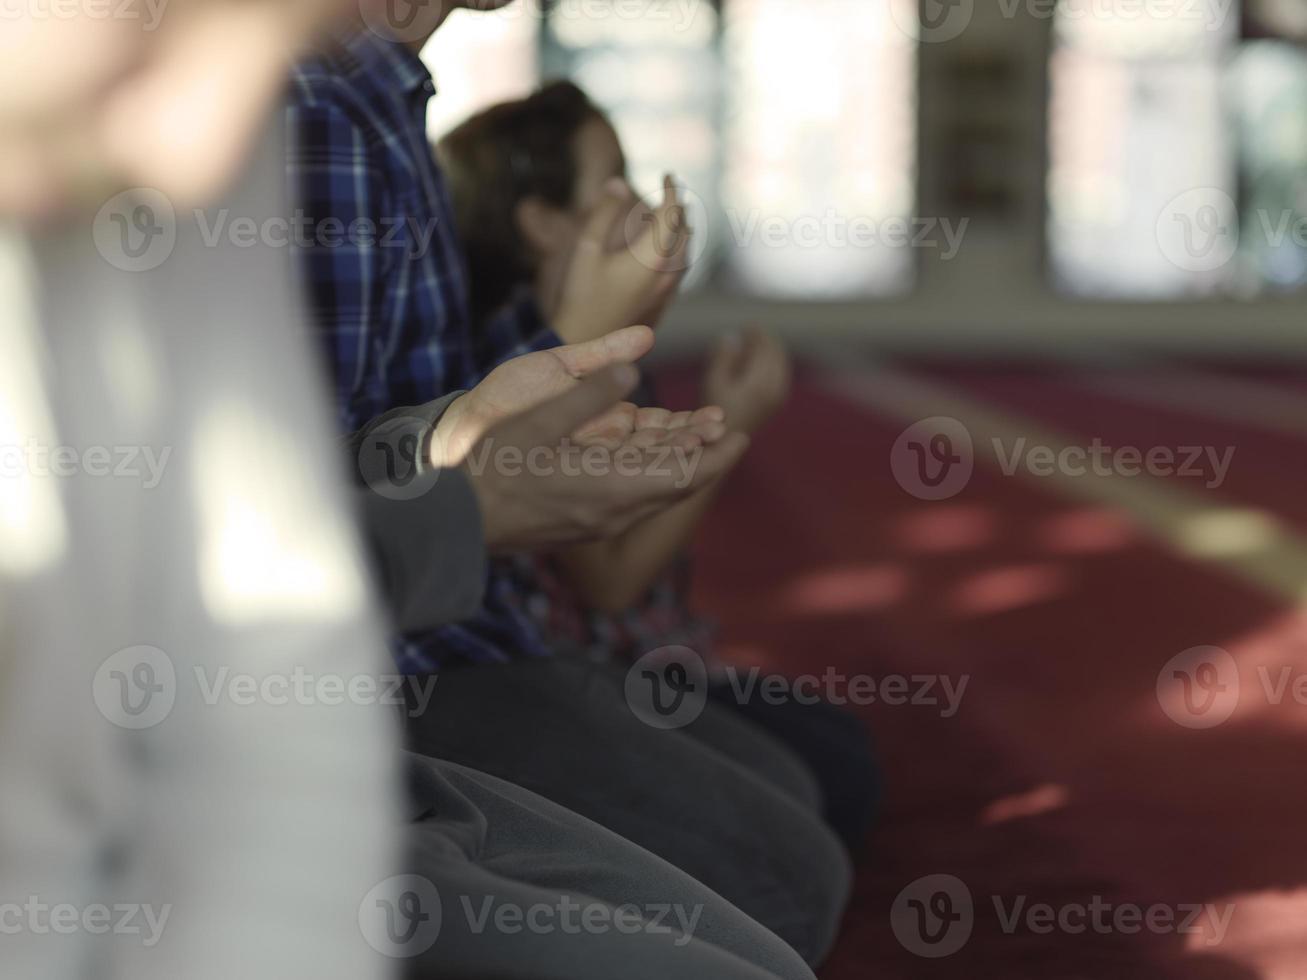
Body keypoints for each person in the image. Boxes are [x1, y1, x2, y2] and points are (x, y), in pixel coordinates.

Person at [286, 3, 852, 963]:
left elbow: (390, 442)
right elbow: (315, 508)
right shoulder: (318, 110)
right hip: (388, 681)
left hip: (437, 643)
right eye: (610, 181)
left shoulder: (381, 103)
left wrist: (543, 405)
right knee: (786, 860)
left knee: (809, 801)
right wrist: (577, 351)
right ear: (540, 219)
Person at [437, 79, 881, 853]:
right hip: (583, 668)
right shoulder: (528, 356)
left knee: (832, 749)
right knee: (825, 784)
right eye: (612, 179)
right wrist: (733, 421)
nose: (641, 201)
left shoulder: (604, 333)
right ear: (542, 222)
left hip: (649, 657)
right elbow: (607, 582)